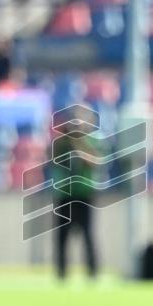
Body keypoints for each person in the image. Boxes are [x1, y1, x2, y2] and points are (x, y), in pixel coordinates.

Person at [51, 109, 102, 281]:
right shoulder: (61, 143)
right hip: (65, 193)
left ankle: (92, 272)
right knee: (62, 236)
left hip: (84, 193)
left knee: (88, 235)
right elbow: (53, 159)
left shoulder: (93, 140)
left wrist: (78, 145)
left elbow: (95, 162)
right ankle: (61, 273)